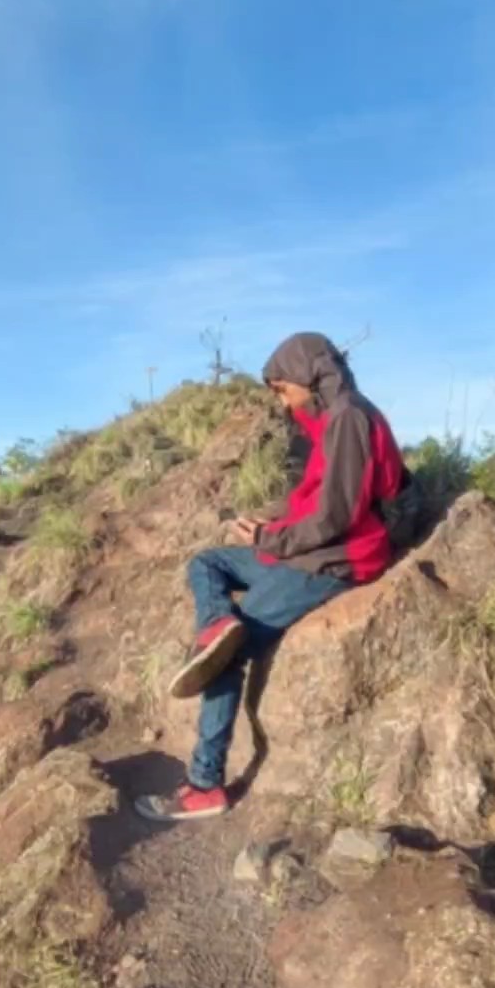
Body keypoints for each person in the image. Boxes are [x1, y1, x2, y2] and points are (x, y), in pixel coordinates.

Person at [136, 332, 406, 822]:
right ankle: (218, 623)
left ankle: (205, 785)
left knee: (224, 660)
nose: (282, 401)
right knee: (208, 563)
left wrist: (270, 540)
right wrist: (274, 526)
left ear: (308, 375)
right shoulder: (339, 416)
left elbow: (337, 516)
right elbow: (353, 491)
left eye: (283, 389)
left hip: (333, 561)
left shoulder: (348, 418)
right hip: (308, 550)